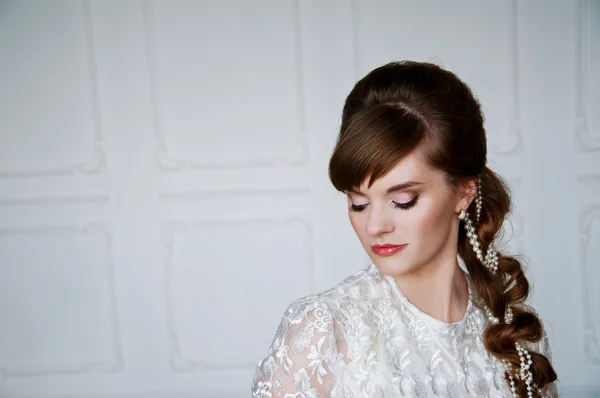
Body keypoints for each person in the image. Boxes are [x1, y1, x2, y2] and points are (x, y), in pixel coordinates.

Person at [250, 61, 558, 397]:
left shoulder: (511, 329)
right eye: (358, 203)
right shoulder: (323, 331)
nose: (375, 225)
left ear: (463, 193)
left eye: (404, 200)